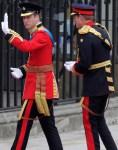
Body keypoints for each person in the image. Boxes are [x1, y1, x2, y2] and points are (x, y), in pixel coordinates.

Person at [1, 0, 63, 150]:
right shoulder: (36, 34)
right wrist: (22, 71)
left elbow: (25, 47)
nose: (25, 20)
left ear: (37, 16)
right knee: (49, 127)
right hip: (41, 88)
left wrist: (8, 34)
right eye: (23, 17)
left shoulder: (41, 35)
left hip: (36, 90)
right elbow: (35, 62)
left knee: (23, 127)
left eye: (28, 17)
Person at [64, 3, 118, 150]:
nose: (74, 21)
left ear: (81, 17)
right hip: (106, 84)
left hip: (93, 88)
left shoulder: (85, 34)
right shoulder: (101, 29)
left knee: (89, 124)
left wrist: (74, 68)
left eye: (75, 18)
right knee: (100, 122)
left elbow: (85, 64)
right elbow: (100, 56)